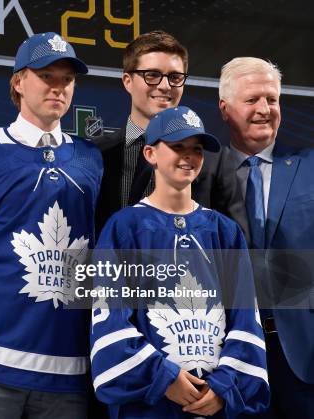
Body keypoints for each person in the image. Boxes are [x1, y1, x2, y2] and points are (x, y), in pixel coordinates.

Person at [0, 32, 102, 419]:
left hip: (67, 365)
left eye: (67, 79)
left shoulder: (91, 158)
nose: (58, 87)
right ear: (18, 82)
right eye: (46, 75)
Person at [91, 106, 269, 418]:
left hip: (213, 402)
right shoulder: (124, 228)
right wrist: (163, 378)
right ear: (150, 153)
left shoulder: (223, 231)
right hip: (149, 406)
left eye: (196, 150)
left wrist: (225, 386)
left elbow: (245, 317)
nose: (188, 157)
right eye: (177, 147)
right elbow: (110, 317)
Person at [219, 57, 314, 418]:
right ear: (225, 109)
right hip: (228, 357)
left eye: (272, 99)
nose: (264, 109)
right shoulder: (199, 174)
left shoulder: (310, 166)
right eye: (252, 100)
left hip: (303, 357)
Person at [92, 30, 247, 239]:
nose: (165, 86)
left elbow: (236, 247)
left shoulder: (214, 160)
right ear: (128, 81)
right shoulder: (93, 155)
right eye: (152, 75)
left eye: (175, 77)